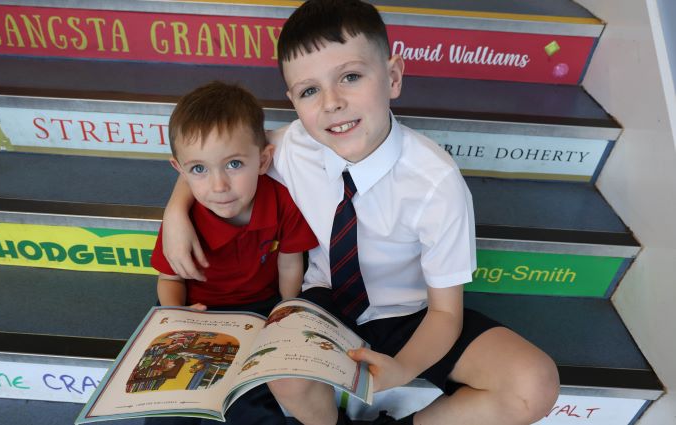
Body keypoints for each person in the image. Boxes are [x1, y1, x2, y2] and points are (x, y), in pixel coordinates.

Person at [160, 1, 560, 424]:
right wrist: (176, 209)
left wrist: (404, 368)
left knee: (533, 383)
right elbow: (218, 154)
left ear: (392, 77)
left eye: (350, 77)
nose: (332, 103)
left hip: (410, 312)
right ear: (293, 100)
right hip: (325, 300)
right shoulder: (295, 145)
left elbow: (446, 313)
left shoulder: (435, 180)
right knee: (286, 374)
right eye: (310, 90)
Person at [147, 81, 318, 425]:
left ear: (263, 159)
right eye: (199, 169)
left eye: (234, 164)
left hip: (259, 311)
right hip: (198, 313)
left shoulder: (282, 202)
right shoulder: (184, 221)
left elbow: (289, 265)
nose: (219, 185)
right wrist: (177, 316)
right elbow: (169, 279)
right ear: (180, 170)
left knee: (251, 402)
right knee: (169, 405)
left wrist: (285, 311)